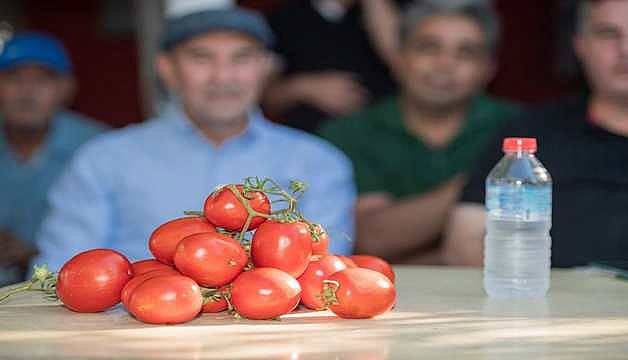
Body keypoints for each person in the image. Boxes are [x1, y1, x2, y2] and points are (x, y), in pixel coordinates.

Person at [30, 6, 356, 272]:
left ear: (265, 67)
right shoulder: (102, 160)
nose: (223, 77)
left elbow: (318, 275)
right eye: (201, 58)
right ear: (167, 69)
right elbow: (61, 271)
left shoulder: (318, 163)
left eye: (241, 58)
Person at [440, 0, 628, 267]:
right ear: (580, 45)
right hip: (548, 304)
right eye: (607, 33)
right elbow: (462, 242)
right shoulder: (528, 136)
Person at [319, 0, 520, 263]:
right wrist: (482, 182)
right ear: (399, 56)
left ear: (489, 68)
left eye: (467, 53)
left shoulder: (521, 127)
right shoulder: (348, 133)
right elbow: (372, 238)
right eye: (429, 47)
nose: (445, 64)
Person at [0, 32, 105, 284]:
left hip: (71, 291)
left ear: (66, 89)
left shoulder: (99, 147)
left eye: (43, 79)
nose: (27, 92)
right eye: (14, 78)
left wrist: (35, 253)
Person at [262, 0, 405, 132]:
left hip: (384, 136)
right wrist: (303, 87)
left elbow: (401, 61)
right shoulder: (284, 17)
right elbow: (267, 97)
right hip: (311, 139)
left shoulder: (393, 11)